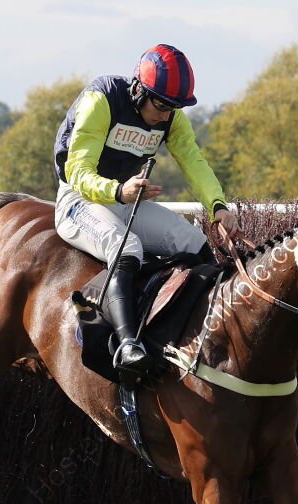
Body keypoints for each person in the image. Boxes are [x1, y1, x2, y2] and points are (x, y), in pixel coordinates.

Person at [54, 43, 238, 377]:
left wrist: (218, 207)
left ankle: (202, 331)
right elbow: (77, 171)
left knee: (193, 241)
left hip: (127, 202)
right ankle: (127, 345)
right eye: (161, 104)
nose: (166, 114)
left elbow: (193, 161)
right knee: (128, 247)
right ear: (139, 89)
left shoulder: (170, 115)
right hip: (79, 202)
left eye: (174, 107)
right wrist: (116, 190)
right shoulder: (102, 100)